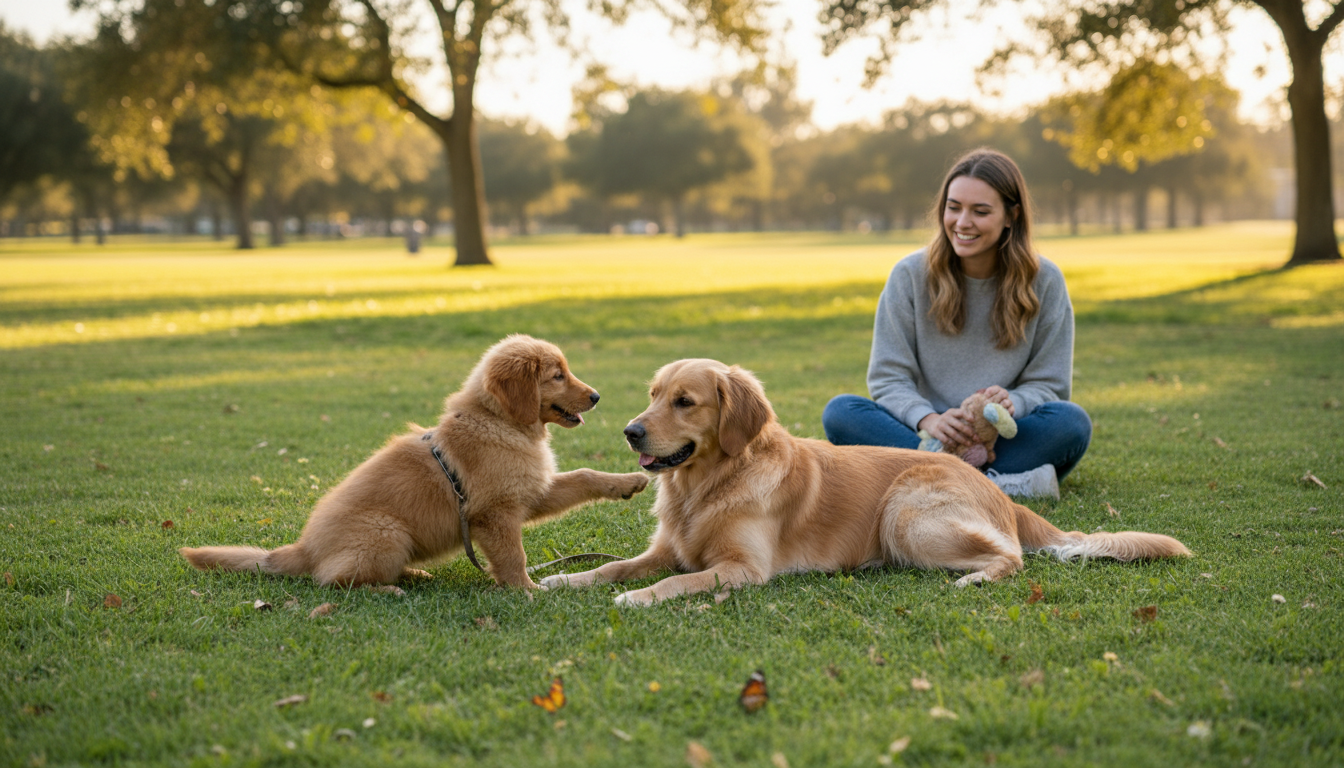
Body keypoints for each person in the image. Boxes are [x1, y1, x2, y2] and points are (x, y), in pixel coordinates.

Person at [822, 148, 1091, 498]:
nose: (962, 222)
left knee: (1071, 423)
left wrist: (1012, 402)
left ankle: (934, 482)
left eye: (980, 211)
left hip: (1003, 436)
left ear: (1011, 216)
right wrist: (929, 420)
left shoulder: (1046, 281)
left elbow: (1050, 386)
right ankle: (999, 486)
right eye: (954, 207)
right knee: (842, 413)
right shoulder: (909, 275)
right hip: (924, 437)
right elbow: (889, 378)